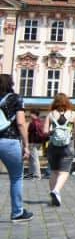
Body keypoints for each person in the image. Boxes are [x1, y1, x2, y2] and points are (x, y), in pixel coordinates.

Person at [0, 74, 34, 223]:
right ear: (11, 84)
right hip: (9, 141)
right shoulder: (16, 98)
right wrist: (26, 145)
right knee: (16, 177)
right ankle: (17, 212)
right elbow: (20, 123)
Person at [43, 93, 75, 207]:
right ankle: (56, 191)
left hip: (53, 146)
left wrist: (53, 132)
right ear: (67, 102)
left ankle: (54, 194)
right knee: (64, 172)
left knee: (54, 171)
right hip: (68, 146)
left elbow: (44, 132)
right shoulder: (73, 114)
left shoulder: (50, 114)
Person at [26, 110, 45, 179]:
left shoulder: (33, 123)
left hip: (33, 142)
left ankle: (37, 175)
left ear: (34, 114)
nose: (29, 115)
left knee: (34, 159)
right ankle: (31, 173)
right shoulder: (40, 122)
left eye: (31, 114)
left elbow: (29, 132)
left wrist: (27, 142)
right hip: (39, 142)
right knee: (32, 158)